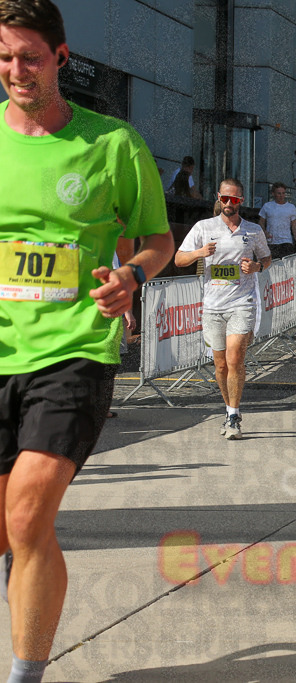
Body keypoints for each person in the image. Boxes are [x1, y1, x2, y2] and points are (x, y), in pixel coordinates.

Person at [0, 2, 174, 680]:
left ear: (61, 59)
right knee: (16, 528)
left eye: (30, 58)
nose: (16, 70)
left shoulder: (112, 143)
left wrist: (129, 276)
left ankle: (24, 674)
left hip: (75, 348)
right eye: (6, 56)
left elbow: (158, 239)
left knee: (27, 511)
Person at [175, 178, 271, 439]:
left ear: (242, 200)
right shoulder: (203, 227)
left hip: (242, 302)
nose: (230, 203)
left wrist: (256, 267)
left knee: (235, 358)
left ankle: (233, 414)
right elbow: (179, 259)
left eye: (236, 199)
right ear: (218, 197)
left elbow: (266, 258)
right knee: (220, 366)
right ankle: (229, 408)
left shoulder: (252, 230)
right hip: (213, 306)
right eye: (226, 198)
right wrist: (200, 253)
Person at [258, 181, 296, 258]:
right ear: (273, 194)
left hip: (286, 241)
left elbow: (295, 226)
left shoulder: (291, 207)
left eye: (283, 193)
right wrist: (264, 232)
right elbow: (261, 222)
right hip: (271, 242)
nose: (281, 196)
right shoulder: (267, 206)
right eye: (279, 193)